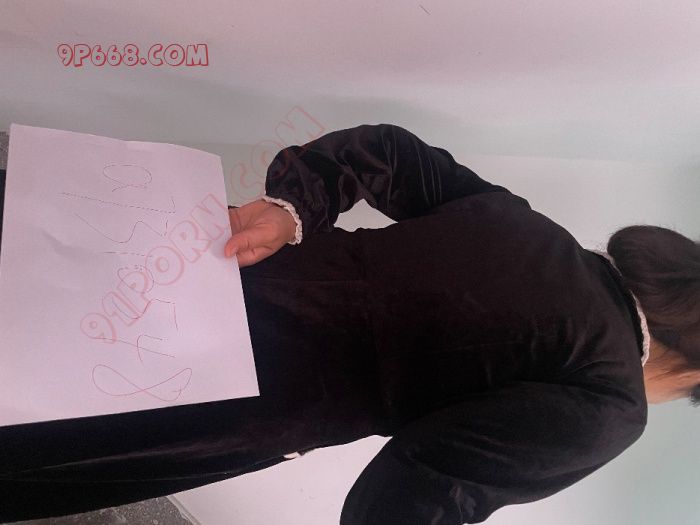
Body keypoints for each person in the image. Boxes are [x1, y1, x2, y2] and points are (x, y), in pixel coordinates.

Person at [0, 124, 698, 524]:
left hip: (216, 273)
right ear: (692, 369)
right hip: (226, 394)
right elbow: (415, 490)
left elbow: (386, 151)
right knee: (42, 422)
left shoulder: (524, 225)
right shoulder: (611, 402)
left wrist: (293, 208)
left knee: (33, 295)